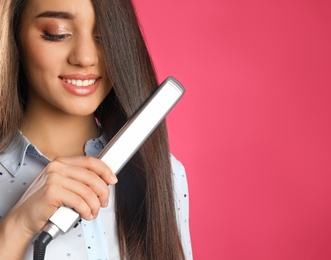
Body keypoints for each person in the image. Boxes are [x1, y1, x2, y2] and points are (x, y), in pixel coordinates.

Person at [0, 0, 192, 259]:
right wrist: (17, 227)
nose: (85, 57)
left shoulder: (163, 173)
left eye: (105, 37)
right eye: (58, 34)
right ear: (14, 36)